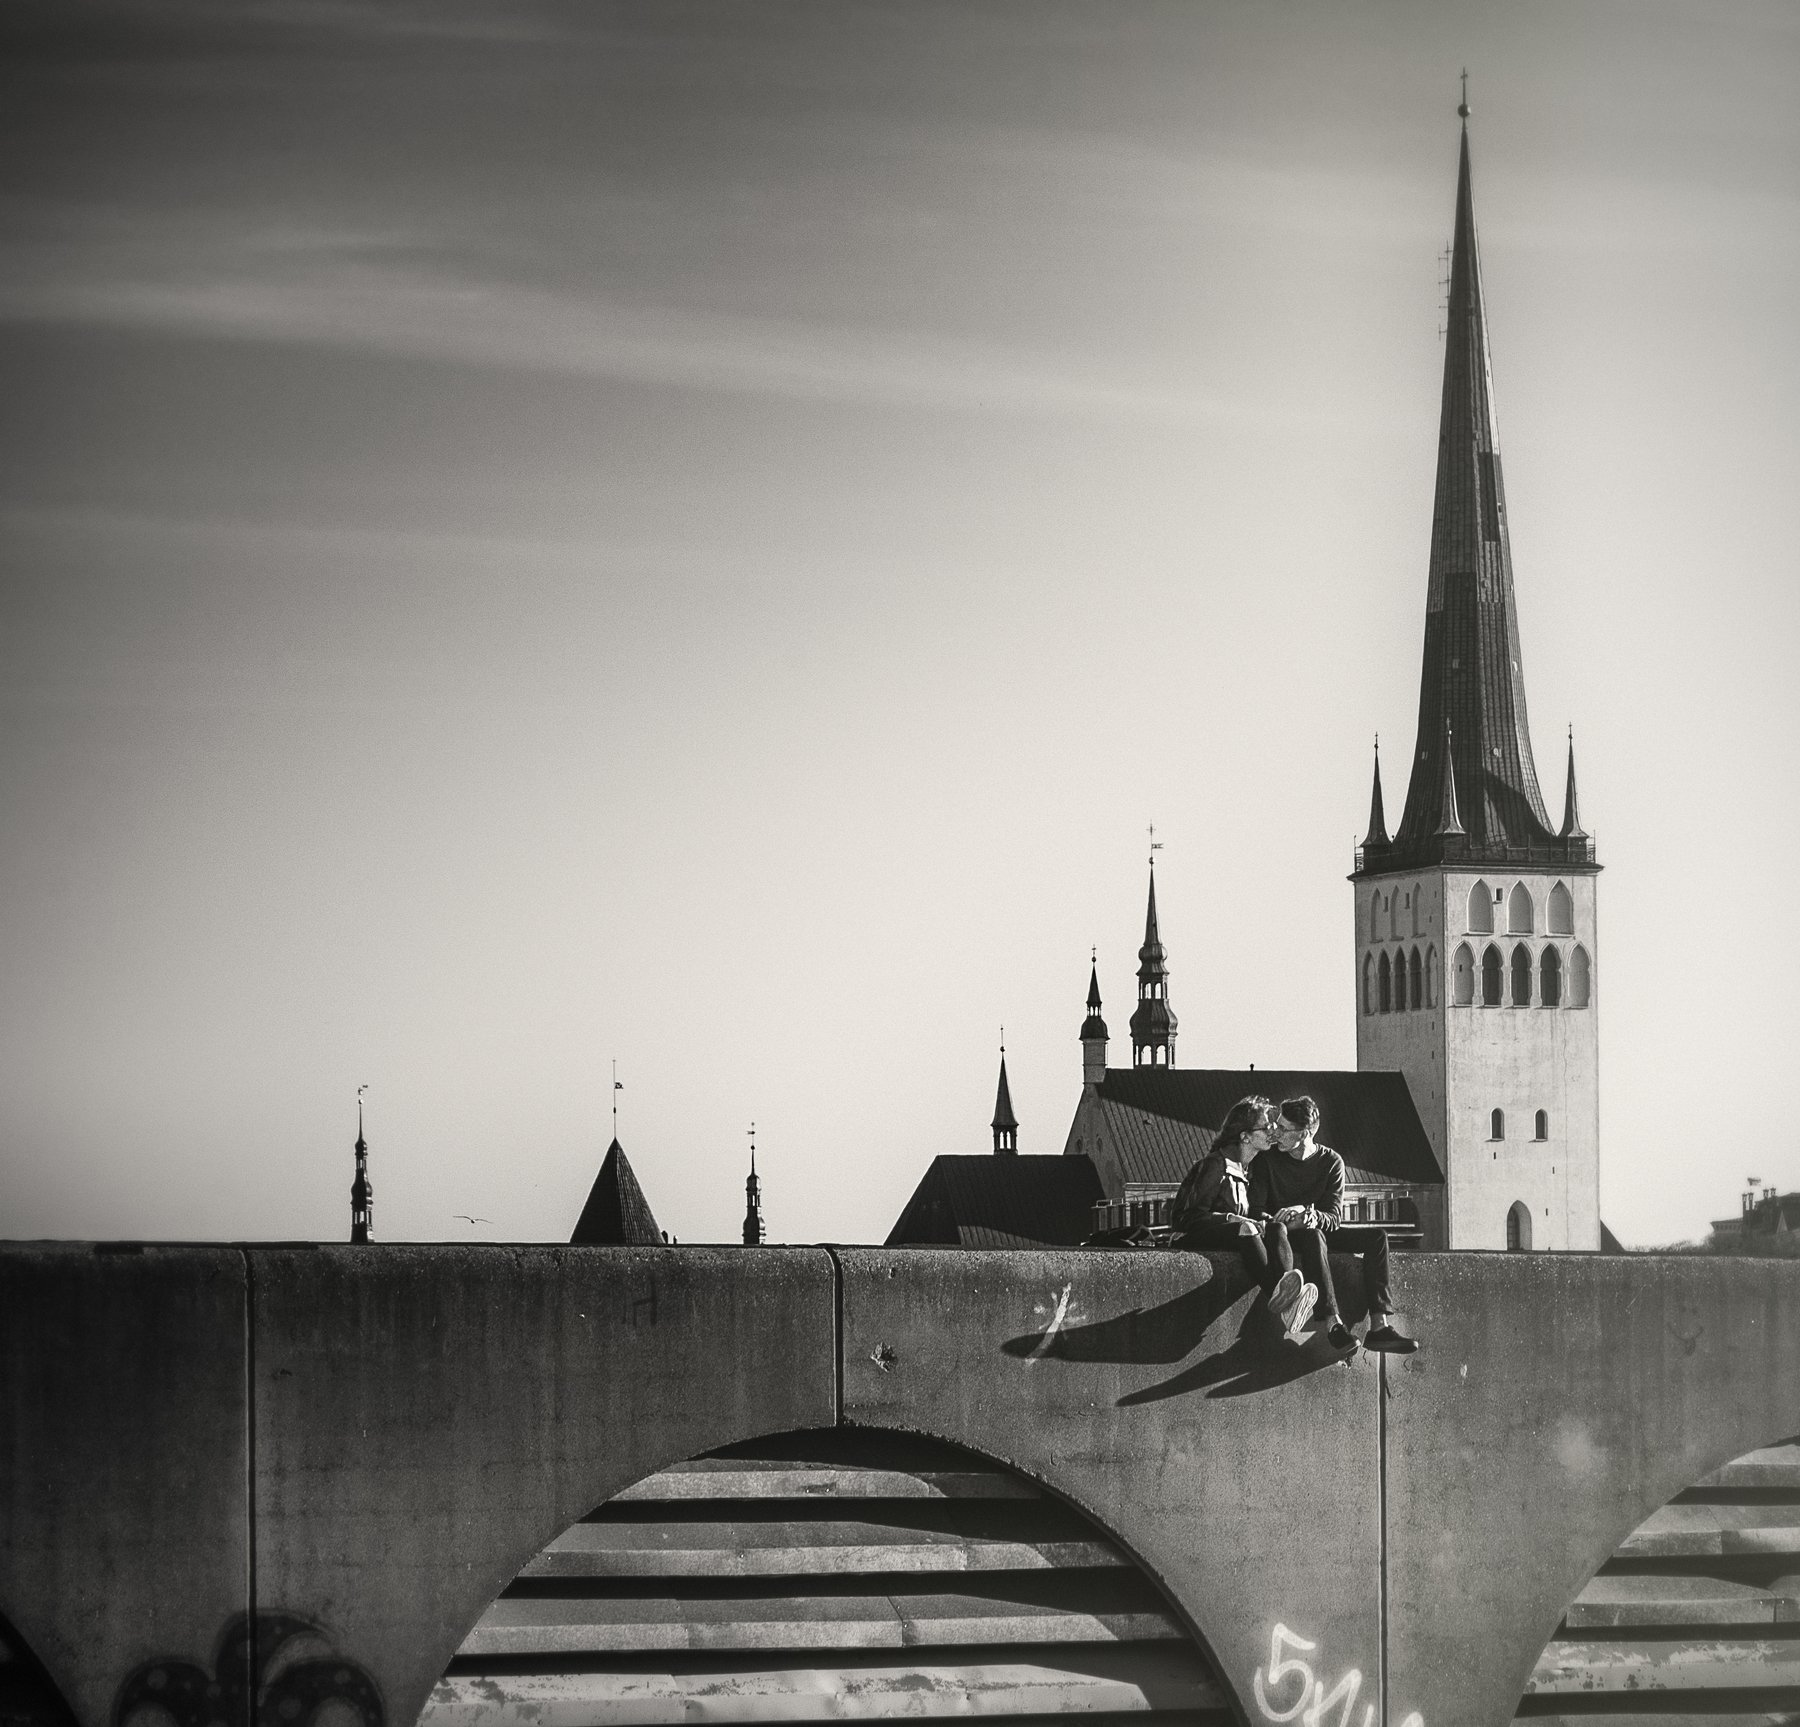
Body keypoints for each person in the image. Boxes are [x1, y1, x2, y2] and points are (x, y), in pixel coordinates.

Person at [1249, 1095, 1419, 1353]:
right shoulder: (1267, 1160)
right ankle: (1333, 1324)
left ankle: (1379, 1327)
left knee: (1377, 1237)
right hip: (1285, 1235)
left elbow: (1333, 1217)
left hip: (1316, 1227)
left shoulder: (1331, 1162)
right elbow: (1256, 1212)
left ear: (1304, 1133)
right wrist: (1285, 1220)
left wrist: (1310, 1214)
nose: (1276, 1133)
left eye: (1283, 1128)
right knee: (1314, 1236)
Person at [1171, 1095, 1315, 1334]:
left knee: (1276, 1227)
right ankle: (1286, 1304)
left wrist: (1270, 1221)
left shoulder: (1247, 1168)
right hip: (1195, 1236)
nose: (1272, 1132)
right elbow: (1186, 1218)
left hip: (1232, 1234)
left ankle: (1288, 1297)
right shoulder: (1215, 1165)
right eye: (1266, 1127)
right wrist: (1231, 1219)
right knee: (1247, 1228)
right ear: (1245, 1136)